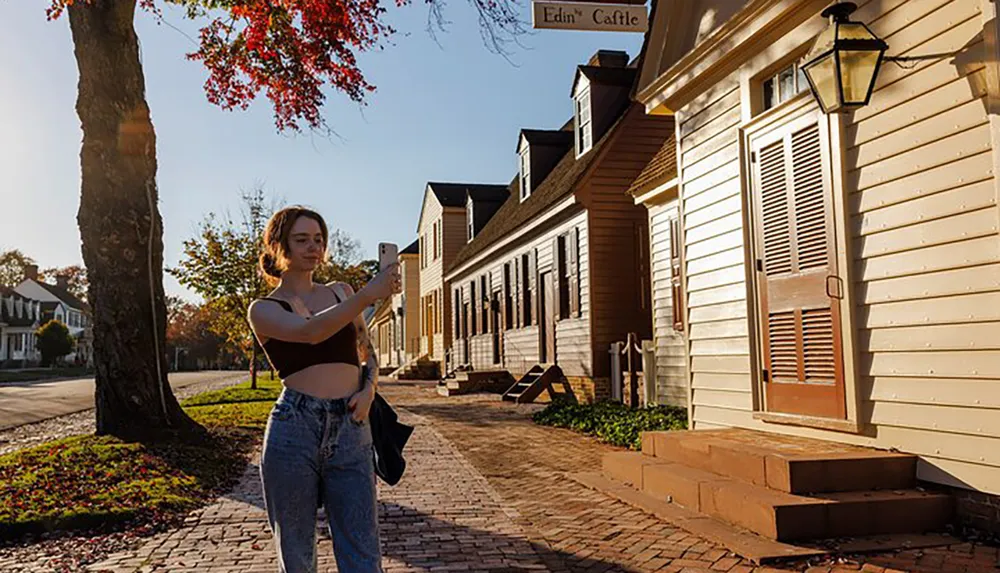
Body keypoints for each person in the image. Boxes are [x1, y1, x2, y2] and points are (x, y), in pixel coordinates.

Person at [247, 205, 401, 573]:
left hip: (351, 423)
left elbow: (367, 353)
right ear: (278, 245)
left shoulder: (340, 293)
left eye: (318, 239)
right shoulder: (263, 309)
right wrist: (367, 296)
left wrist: (369, 390)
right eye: (301, 240)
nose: (313, 247)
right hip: (294, 427)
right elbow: (309, 333)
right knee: (297, 553)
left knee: (362, 550)